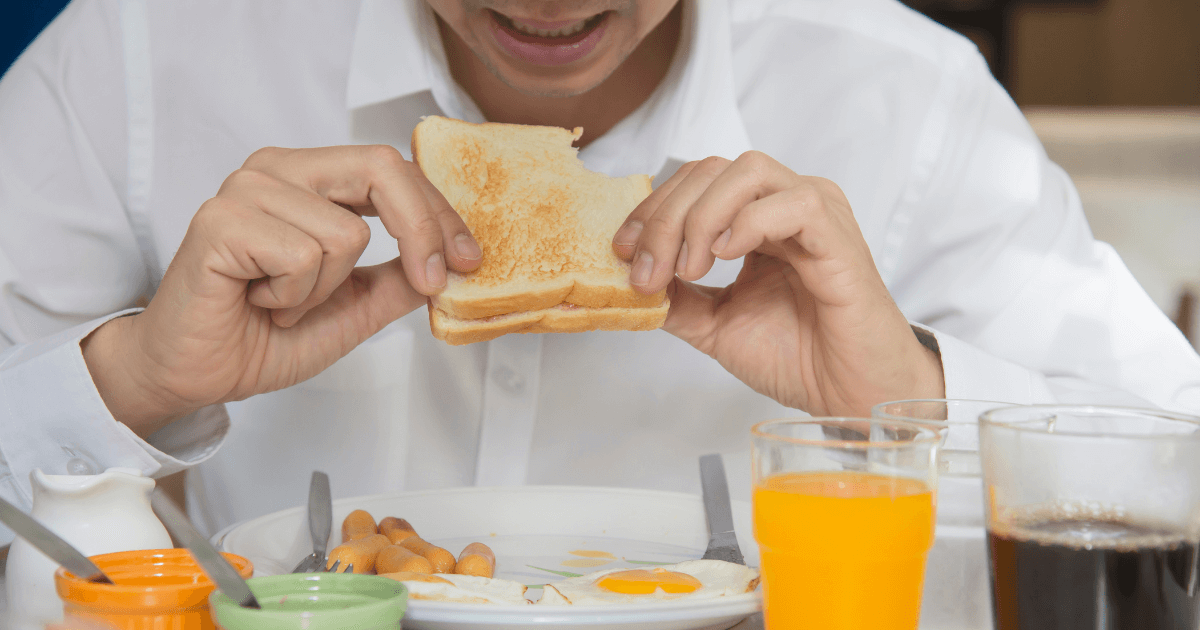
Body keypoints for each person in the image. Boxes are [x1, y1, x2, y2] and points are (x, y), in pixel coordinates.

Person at [1, 0, 1198, 539]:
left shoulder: (910, 97)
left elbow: (1174, 465)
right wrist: (134, 382)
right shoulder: (139, 54)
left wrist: (908, 390)